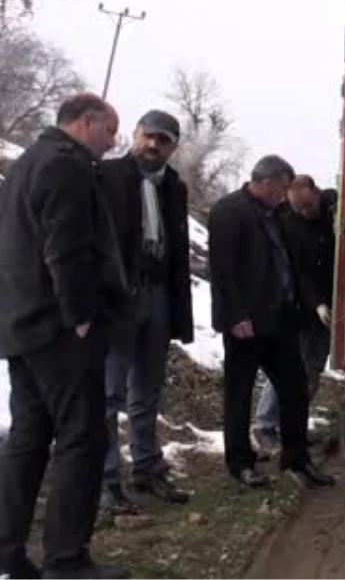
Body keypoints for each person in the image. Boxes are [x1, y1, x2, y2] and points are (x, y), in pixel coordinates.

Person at [0, 94, 132, 580]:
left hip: (22, 327)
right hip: (59, 331)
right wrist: (79, 316)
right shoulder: (66, 167)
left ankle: (9, 555)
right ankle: (66, 561)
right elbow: (66, 248)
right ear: (85, 122)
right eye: (109, 130)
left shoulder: (25, 164)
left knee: (29, 441)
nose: (112, 141)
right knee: (83, 439)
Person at [207, 155, 334, 489]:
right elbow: (221, 271)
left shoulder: (277, 214)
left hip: (280, 322)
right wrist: (235, 317)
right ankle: (240, 464)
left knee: (295, 390)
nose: (284, 195)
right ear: (266, 182)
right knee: (239, 394)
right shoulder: (228, 211)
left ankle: (297, 459)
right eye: (281, 188)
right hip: (245, 324)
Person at [96, 110, 194, 515]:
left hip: (158, 295)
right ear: (134, 135)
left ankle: (147, 468)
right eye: (148, 136)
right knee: (109, 393)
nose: (154, 145)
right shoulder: (104, 175)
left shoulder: (175, 186)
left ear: (172, 147)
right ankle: (105, 480)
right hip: (118, 297)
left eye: (164, 140)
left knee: (148, 389)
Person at [252, 176, 337, 453]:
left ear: (315, 193)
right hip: (300, 306)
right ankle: (264, 426)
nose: (303, 212)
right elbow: (298, 272)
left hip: (329, 308)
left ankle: (294, 426)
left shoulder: (332, 207)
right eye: (297, 207)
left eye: (306, 206)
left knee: (312, 370)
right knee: (288, 369)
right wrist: (317, 303)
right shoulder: (290, 223)